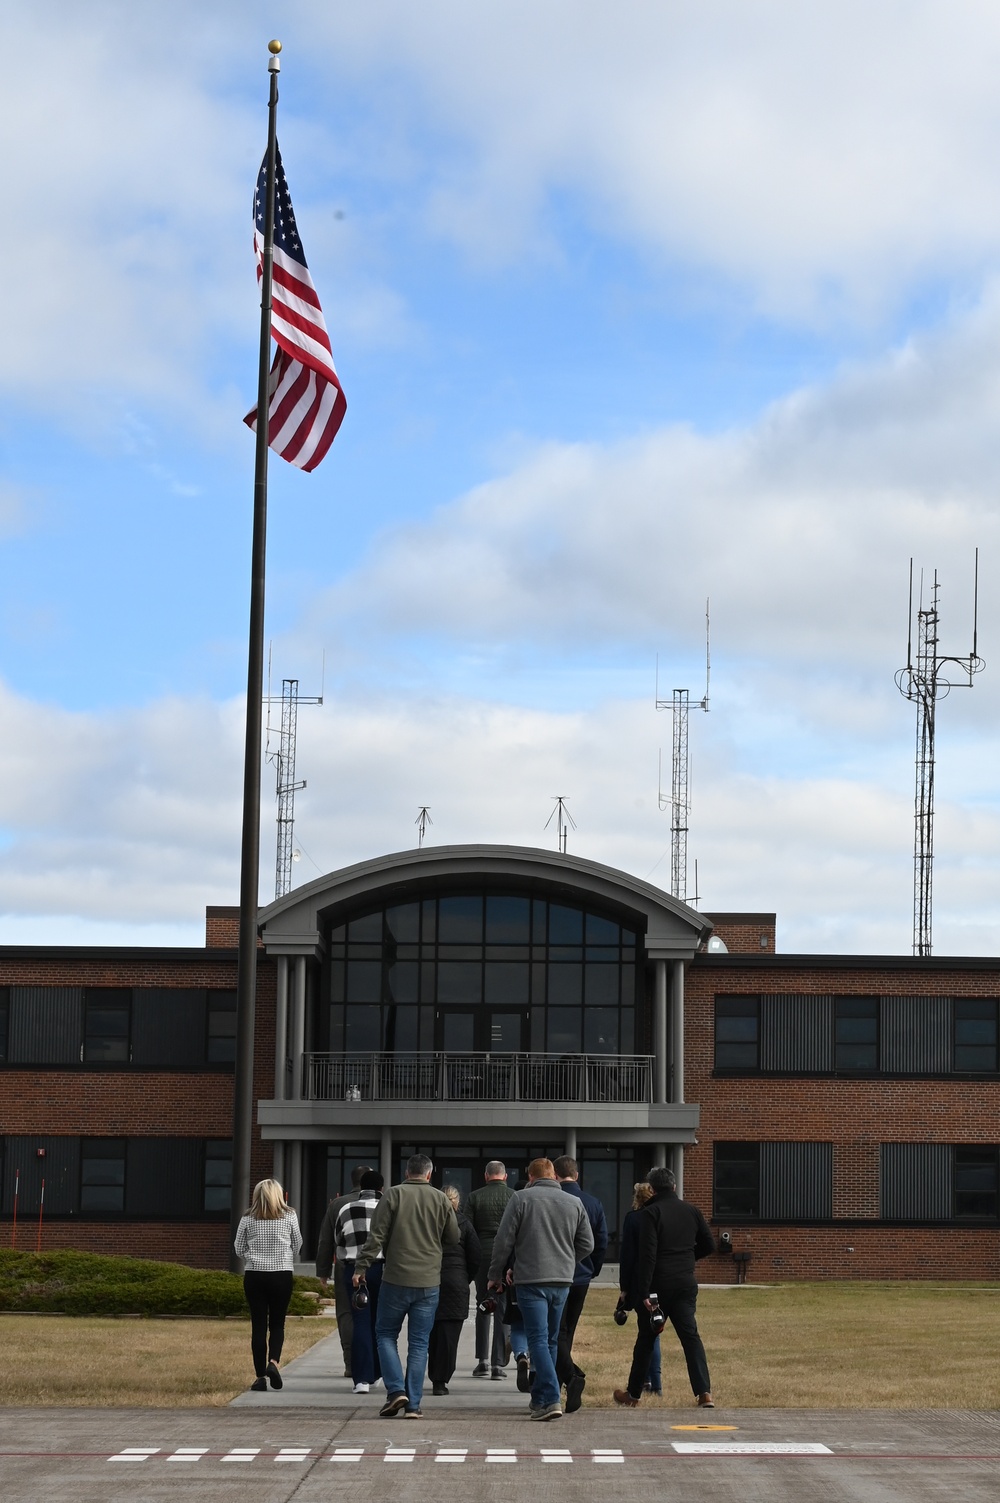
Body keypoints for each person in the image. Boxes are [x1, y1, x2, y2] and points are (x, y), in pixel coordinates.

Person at [353, 1153, 460, 1418]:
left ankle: (395, 1391)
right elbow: (454, 1237)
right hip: (428, 1281)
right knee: (419, 1343)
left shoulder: (392, 1195)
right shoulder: (440, 1199)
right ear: (429, 1174)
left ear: (406, 1173)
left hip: (396, 1279)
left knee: (386, 1334)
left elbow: (376, 1236)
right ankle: (413, 1404)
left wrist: (361, 1267)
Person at [487, 1157, 594, 1422]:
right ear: (555, 1176)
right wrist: (567, 1261)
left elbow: (504, 1240)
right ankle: (540, 1398)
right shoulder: (574, 1202)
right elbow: (588, 1244)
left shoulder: (521, 1199)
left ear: (531, 1177)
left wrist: (495, 1274)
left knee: (536, 1340)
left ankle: (551, 1398)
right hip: (562, 1282)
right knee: (551, 1340)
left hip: (531, 1280)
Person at [613, 1165, 715, 1409]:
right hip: (685, 1282)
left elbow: (647, 1255)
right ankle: (704, 1393)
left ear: (652, 1188)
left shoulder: (651, 1213)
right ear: (674, 1186)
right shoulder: (692, 1210)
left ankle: (634, 1395)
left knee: (646, 1339)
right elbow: (709, 1244)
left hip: (658, 1284)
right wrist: (688, 1258)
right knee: (691, 1338)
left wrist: (645, 1291)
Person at [234, 1178, 302, 1393]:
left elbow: (238, 1247)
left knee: (258, 1325)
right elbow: (297, 1243)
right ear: (279, 1195)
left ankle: (260, 1377)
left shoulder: (248, 1217)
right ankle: (273, 1362)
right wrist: (286, 1255)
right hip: (281, 1273)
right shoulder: (289, 1215)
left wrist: (251, 1256)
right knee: (278, 1324)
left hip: (255, 1274)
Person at [552, 1155, 608, 1413]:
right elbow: (600, 1241)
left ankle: (570, 1378)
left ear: (555, 1175)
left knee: (554, 1332)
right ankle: (567, 1378)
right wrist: (592, 1268)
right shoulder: (593, 1203)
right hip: (582, 1275)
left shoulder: (550, 1199)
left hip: (555, 1273)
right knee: (568, 1330)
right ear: (576, 1175)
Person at [315, 1163, 374, 1378]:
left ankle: (350, 1363)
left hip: (345, 1267)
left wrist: (323, 1272)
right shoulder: (383, 1203)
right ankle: (372, 1363)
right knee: (373, 1315)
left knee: (347, 1315)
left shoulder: (337, 1205)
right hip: (375, 1267)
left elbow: (326, 1241)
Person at [334, 1169, 385, 1394]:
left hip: (353, 1270)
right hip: (382, 1269)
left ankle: (361, 1379)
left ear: (361, 1188)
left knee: (360, 1321)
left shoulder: (346, 1209)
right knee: (379, 1323)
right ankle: (376, 1373)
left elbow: (339, 1238)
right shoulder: (387, 1208)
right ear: (381, 1188)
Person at [427, 1185, 482, 1395]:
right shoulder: (465, 1224)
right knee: (449, 1337)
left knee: (430, 1335)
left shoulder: (429, 1221)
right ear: (457, 1202)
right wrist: (465, 1277)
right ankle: (441, 1380)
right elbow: (475, 1256)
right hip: (456, 1283)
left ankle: (432, 1374)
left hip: (431, 1279)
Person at [465, 1160, 515, 1378]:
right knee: (503, 1308)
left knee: (483, 1305)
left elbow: (467, 1228)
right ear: (505, 1177)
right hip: (506, 1255)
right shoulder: (515, 1196)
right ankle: (498, 1363)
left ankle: (482, 1361)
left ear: (486, 1176)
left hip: (482, 1254)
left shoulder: (474, 1197)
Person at [619, 1181, 661, 1395]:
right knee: (654, 1329)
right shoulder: (660, 1216)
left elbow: (627, 1255)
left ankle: (646, 1382)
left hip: (638, 1280)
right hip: (661, 1279)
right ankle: (654, 1381)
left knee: (647, 1332)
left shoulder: (633, 1218)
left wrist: (624, 1288)